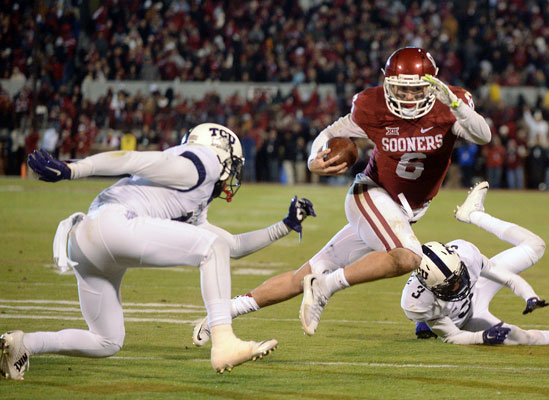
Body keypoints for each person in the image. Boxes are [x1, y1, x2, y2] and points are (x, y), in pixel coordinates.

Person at [192, 47, 491, 343]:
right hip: (371, 195)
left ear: (432, 86)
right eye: (399, 88)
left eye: (414, 90)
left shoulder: (451, 105)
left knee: (303, 277)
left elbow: (482, 135)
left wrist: (456, 105)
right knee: (408, 257)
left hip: (398, 212)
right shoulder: (373, 106)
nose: (406, 97)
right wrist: (313, 159)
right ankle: (326, 287)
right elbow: (330, 132)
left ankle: (223, 313)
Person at [0, 123, 316, 380]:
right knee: (210, 249)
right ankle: (224, 342)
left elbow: (230, 247)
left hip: (85, 241)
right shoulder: (202, 162)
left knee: (107, 341)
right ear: (223, 154)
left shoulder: (192, 197)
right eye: (234, 164)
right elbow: (132, 160)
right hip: (113, 224)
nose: (234, 175)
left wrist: (284, 226)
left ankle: (22, 344)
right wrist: (72, 169)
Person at [402, 182, 549, 346]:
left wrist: (530, 296)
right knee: (521, 337)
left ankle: (474, 214)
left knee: (535, 245)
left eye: (458, 278)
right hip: (464, 320)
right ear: (429, 286)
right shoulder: (415, 301)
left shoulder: (465, 254)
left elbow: (506, 277)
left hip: (477, 289)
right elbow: (452, 336)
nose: (458, 286)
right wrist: (483, 336)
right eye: (450, 286)